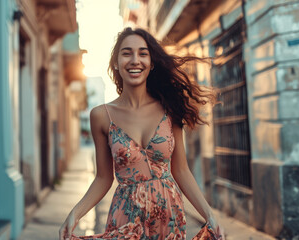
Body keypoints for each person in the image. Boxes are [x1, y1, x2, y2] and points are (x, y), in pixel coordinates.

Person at [59, 27, 225, 240]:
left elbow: (181, 170)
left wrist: (209, 215)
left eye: (143, 53)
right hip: (126, 217)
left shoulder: (170, 109)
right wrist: (75, 213)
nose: (135, 60)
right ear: (116, 64)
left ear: (151, 63)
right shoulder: (101, 115)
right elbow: (103, 178)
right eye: (127, 53)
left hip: (169, 217)